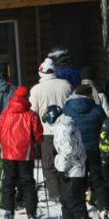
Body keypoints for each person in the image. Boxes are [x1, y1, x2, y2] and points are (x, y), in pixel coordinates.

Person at [62, 84, 109, 219]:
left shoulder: (67, 109)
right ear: (88, 95)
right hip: (94, 148)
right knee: (98, 178)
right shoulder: (96, 108)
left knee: (78, 180)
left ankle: (80, 209)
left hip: (77, 150)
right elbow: (105, 126)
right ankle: (103, 206)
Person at [0, 86, 43, 219]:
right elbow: (38, 134)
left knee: (9, 182)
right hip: (26, 154)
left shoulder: (5, 113)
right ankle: (30, 213)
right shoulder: (31, 114)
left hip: (8, 153)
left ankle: (9, 211)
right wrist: (38, 141)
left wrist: (2, 143)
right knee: (27, 183)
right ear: (26, 97)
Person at [44, 106, 93, 219]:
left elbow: (67, 150)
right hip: (70, 167)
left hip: (73, 167)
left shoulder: (62, 128)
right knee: (65, 198)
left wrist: (61, 168)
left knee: (73, 199)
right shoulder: (64, 125)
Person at [30, 58, 73, 205]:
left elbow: (33, 111)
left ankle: (54, 193)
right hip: (66, 128)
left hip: (46, 131)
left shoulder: (36, 89)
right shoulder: (66, 85)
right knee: (67, 160)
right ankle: (68, 189)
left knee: (49, 164)